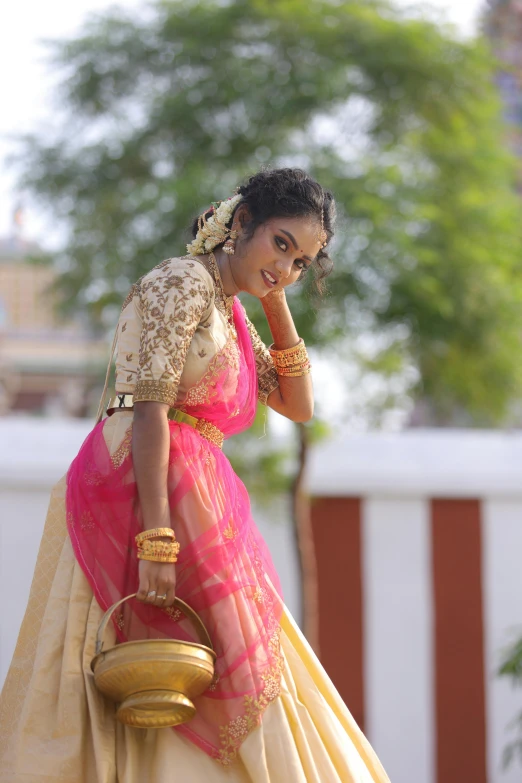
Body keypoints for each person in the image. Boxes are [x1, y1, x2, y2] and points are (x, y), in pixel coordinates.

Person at [0, 168, 390, 782]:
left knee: (227, 658)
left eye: (303, 262)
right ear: (241, 224)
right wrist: (155, 539)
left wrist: (273, 297)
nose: (288, 266)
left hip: (198, 497)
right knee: (129, 656)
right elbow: (150, 409)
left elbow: (297, 404)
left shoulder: (230, 310)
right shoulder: (183, 282)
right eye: (280, 244)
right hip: (135, 491)